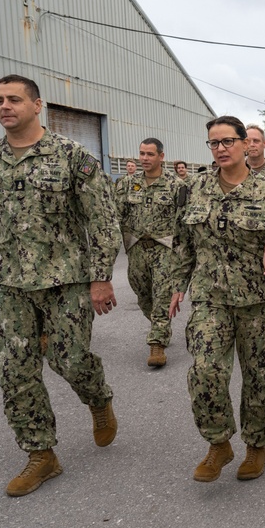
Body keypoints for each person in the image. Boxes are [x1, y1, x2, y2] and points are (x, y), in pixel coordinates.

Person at [0, 74, 120, 497]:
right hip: (9, 281)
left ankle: (98, 397)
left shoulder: (72, 157)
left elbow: (103, 221)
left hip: (66, 278)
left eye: (14, 99)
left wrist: (101, 277)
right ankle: (40, 454)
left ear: (37, 105)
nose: (5, 106)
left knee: (69, 359)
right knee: (15, 369)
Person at [169, 115, 265, 484]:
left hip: (261, 303)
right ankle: (218, 443)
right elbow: (183, 243)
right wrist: (177, 284)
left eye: (228, 141)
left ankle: (257, 447)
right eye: (214, 143)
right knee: (205, 371)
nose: (221, 148)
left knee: (261, 380)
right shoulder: (193, 190)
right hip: (211, 298)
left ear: (246, 144)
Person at [116, 137, 184, 367]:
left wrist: (183, 252)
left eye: (150, 154)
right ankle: (160, 324)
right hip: (136, 247)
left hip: (164, 248)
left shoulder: (175, 186)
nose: (144, 158)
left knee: (162, 295)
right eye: (142, 154)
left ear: (161, 157)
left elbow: (183, 220)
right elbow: (118, 213)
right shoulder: (128, 183)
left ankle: (157, 343)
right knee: (143, 294)